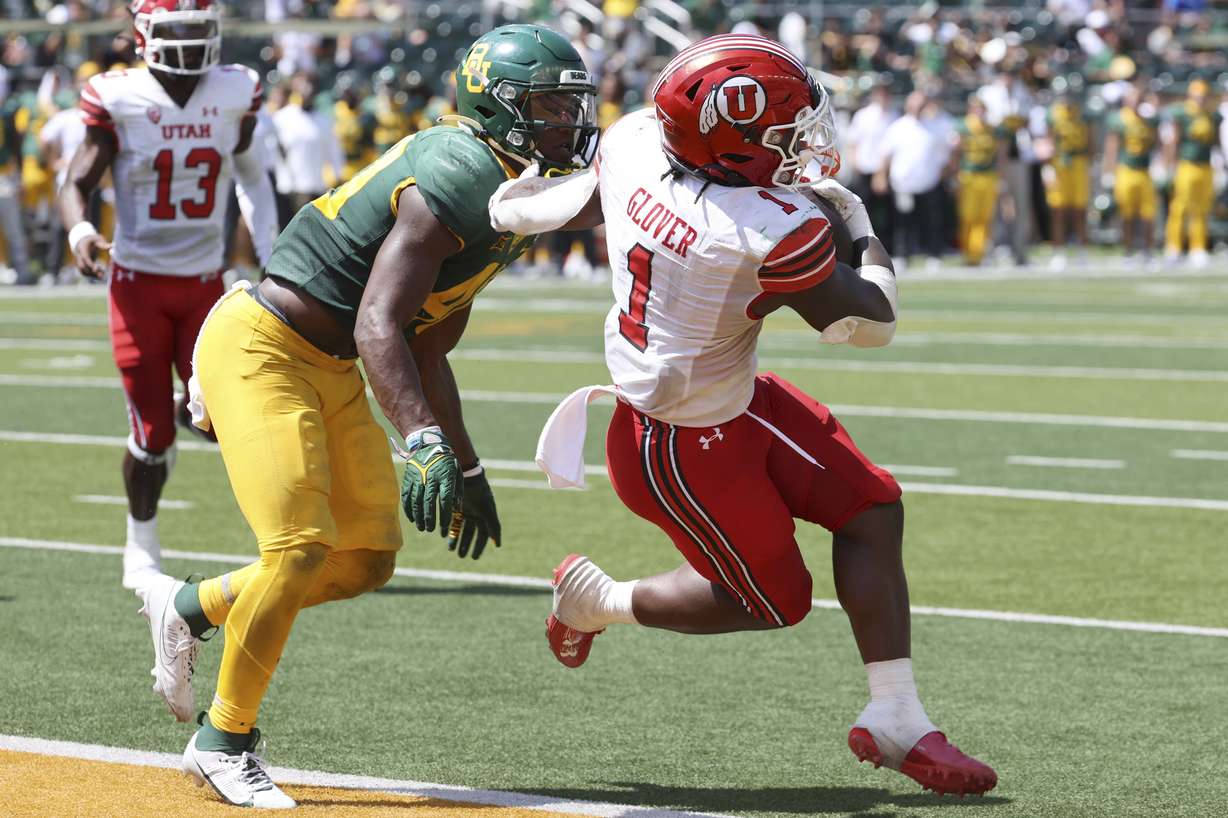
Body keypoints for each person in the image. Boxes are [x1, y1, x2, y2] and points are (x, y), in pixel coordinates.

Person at [499, 33, 997, 798]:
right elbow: (872, 322)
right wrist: (860, 228)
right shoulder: (760, 227)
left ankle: (896, 714)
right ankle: (595, 600)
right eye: (782, 133)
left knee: (873, 508)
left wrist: (516, 210)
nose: (799, 144)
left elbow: (599, 196)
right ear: (731, 144)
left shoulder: (637, 138)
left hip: (731, 401)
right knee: (773, 602)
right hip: (680, 444)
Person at [136, 24, 598, 808]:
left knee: (366, 556)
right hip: (266, 342)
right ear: (500, 106)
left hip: (330, 362)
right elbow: (378, 321)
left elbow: (427, 350)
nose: (569, 119)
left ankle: (193, 606)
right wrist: (422, 441)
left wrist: (472, 465)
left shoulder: (514, 190)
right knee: (299, 545)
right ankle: (223, 739)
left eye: (571, 102)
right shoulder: (459, 168)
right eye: (551, 103)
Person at [57, 0, 278, 590]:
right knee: (153, 434)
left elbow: (252, 174)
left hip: (206, 283)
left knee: (223, 418)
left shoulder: (234, 90)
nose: (187, 43)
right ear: (144, 35)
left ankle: (279, 542)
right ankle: (141, 544)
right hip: (138, 285)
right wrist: (80, 230)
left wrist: (272, 248)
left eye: (196, 30)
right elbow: (76, 181)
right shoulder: (119, 95)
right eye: (174, 30)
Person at [1162, 78, 1222, 267]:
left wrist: (1221, 163)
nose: (1201, 100)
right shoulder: (1182, 113)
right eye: (1198, 96)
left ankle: (1198, 248)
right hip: (1186, 165)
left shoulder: (1212, 115)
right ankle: (1174, 247)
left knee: (1201, 209)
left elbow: (1217, 142)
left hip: (1205, 166)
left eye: (1203, 96)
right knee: (1180, 208)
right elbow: (1174, 141)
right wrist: (1169, 166)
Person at [1102, 83, 1159, 262]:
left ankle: (1147, 251)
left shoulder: (1148, 119)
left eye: (1138, 98)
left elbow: (1155, 143)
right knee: (1127, 215)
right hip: (1125, 170)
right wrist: (1108, 172)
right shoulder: (1119, 119)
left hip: (1144, 170)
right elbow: (1112, 147)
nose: (1135, 102)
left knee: (1147, 214)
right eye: (1132, 98)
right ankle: (1128, 251)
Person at [951, 95, 1006, 265]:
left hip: (988, 176)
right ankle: (967, 253)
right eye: (976, 108)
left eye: (981, 108)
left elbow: (1001, 154)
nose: (979, 112)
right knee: (968, 216)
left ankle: (977, 254)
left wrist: (1001, 177)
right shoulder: (963, 127)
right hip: (969, 176)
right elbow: (955, 153)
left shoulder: (993, 129)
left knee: (984, 217)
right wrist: (954, 176)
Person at [1043, 88, 1090, 270]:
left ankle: (1082, 251)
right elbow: (1048, 142)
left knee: (1079, 210)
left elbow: (1090, 142)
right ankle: (1058, 252)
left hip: (1078, 163)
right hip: (1059, 164)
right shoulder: (1053, 115)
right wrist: (1047, 169)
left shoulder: (1083, 115)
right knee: (1058, 211)